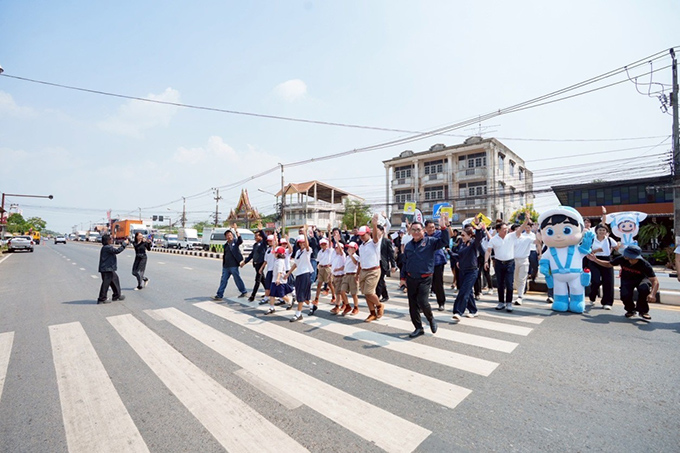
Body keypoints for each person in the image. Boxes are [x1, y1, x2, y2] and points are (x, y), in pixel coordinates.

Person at [403, 214, 450, 338]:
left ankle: (431, 319)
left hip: (425, 277)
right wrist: (403, 278)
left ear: (423, 230)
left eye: (418, 230)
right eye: (413, 230)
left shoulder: (430, 242)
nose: (416, 232)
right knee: (412, 305)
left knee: (423, 302)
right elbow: (405, 263)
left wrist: (443, 228)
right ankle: (418, 328)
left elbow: (444, 242)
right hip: (411, 278)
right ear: (410, 231)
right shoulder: (408, 246)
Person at [587, 245, 658, 320]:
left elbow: (655, 281)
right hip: (627, 279)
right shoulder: (622, 259)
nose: (625, 257)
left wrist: (652, 294)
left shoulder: (645, 265)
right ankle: (630, 310)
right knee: (625, 294)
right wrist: (595, 260)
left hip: (641, 279)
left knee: (644, 288)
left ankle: (643, 311)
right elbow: (609, 264)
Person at [484, 213, 528, 312]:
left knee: (509, 284)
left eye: (506, 228)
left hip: (510, 263)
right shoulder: (494, 239)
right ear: (498, 230)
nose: (506, 230)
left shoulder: (511, 236)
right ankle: (501, 302)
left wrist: (526, 220)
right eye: (504, 229)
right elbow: (488, 251)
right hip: (499, 263)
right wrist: (486, 261)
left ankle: (509, 303)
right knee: (500, 284)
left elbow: (521, 229)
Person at [452, 219, 485, 321]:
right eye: (461, 235)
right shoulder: (461, 244)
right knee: (468, 292)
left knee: (464, 291)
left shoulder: (473, 243)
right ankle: (473, 310)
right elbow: (459, 255)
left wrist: (478, 229)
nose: (461, 237)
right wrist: (451, 254)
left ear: (470, 235)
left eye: (463, 235)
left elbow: (479, 238)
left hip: (472, 271)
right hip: (462, 270)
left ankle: (458, 312)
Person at [357, 214, 384, 322]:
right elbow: (360, 261)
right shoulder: (361, 246)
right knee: (365, 293)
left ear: (369, 233)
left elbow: (376, 237)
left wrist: (374, 225)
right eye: (360, 235)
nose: (361, 237)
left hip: (373, 270)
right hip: (364, 271)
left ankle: (379, 305)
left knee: (369, 292)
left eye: (363, 235)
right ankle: (372, 313)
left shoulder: (374, 243)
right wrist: (357, 274)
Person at [212, 224, 248, 301]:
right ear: (225, 237)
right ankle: (219, 295)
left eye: (230, 235)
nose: (229, 236)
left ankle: (244, 291)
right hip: (226, 266)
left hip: (234, 265)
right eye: (227, 235)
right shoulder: (225, 245)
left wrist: (236, 231)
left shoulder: (235, 242)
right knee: (223, 280)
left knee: (237, 279)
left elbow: (240, 240)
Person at [285, 231, 314, 321]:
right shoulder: (298, 252)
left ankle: (298, 314)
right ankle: (312, 306)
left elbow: (307, 246)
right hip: (298, 274)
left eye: (303, 242)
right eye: (300, 243)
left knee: (301, 294)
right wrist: (288, 273)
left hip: (305, 274)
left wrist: (305, 234)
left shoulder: (307, 251)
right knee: (300, 294)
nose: (302, 244)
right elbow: (295, 264)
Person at [588, 223, 618, 309]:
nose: (602, 232)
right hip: (594, 260)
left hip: (606, 261)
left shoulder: (609, 240)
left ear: (606, 232)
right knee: (595, 280)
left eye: (604, 230)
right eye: (600, 230)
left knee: (608, 281)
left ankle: (607, 302)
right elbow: (586, 251)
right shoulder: (592, 240)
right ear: (596, 231)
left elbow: (617, 248)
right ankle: (592, 296)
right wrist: (596, 250)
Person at [97, 233, 128, 303]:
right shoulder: (107, 247)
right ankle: (102, 298)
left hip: (108, 268)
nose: (111, 240)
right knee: (106, 284)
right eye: (110, 239)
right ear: (107, 240)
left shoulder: (106, 247)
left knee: (115, 280)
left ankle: (117, 295)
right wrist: (124, 244)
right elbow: (117, 251)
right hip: (106, 269)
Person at [511, 220, 536, 305]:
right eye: (516, 230)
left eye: (519, 229)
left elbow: (537, 241)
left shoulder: (527, 238)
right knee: (515, 279)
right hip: (514, 260)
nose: (518, 231)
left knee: (522, 279)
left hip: (524, 260)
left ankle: (520, 296)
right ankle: (517, 293)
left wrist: (540, 234)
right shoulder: (511, 239)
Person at [425, 220, 447, 311]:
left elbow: (446, 239)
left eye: (433, 227)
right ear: (425, 228)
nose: (432, 229)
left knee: (438, 283)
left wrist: (444, 226)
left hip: (438, 261)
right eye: (430, 227)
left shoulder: (438, 234)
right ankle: (423, 304)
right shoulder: (423, 236)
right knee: (425, 285)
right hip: (426, 263)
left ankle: (441, 303)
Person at [264, 246, 294, 315]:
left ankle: (289, 301)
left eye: (276, 253)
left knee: (282, 295)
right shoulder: (277, 260)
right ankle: (271, 308)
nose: (274, 254)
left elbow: (279, 271)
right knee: (272, 294)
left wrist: (277, 279)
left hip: (280, 281)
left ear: (279, 254)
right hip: (274, 280)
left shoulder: (280, 261)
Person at [241, 230, 267, 302]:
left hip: (261, 264)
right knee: (263, 279)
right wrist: (245, 262)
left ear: (261, 237)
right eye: (255, 236)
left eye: (257, 236)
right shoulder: (255, 245)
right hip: (256, 264)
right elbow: (251, 255)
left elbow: (265, 238)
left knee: (257, 280)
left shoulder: (263, 243)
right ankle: (268, 292)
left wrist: (261, 230)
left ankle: (253, 295)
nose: (255, 237)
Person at [375, 224, 397, 303]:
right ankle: (385, 295)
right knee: (379, 280)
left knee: (380, 280)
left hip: (383, 263)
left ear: (381, 231)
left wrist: (393, 265)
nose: (376, 232)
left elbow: (391, 254)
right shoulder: (373, 241)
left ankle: (377, 296)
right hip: (375, 263)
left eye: (377, 230)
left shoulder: (386, 241)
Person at [339, 241, 360, 315]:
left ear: (354, 249)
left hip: (353, 275)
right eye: (348, 247)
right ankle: (347, 306)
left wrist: (351, 255)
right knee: (342, 291)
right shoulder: (347, 257)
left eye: (350, 248)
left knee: (354, 293)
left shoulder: (356, 257)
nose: (348, 249)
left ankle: (356, 307)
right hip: (346, 275)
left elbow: (355, 263)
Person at [312, 238, 334, 310]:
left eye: (325, 244)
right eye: (322, 244)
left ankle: (333, 296)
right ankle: (316, 299)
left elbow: (330, 242)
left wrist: (329, 233)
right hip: (321, 268)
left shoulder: (329, 251)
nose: (323, 245)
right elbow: (318, 260)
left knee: (330, 284)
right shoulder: (320, 252)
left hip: (327, 268)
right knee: (319, 284)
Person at [330, 242, 346, 314]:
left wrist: (338, 269)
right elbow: (333, 266)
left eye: (338, 248)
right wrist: (331, 273)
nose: (337, 249)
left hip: (340, 276)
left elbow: (344, 266)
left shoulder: (342, 255)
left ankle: (337, 306)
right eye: (336, 248)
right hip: (335, 276)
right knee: (339, 292)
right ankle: (344, 303)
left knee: (338, 293)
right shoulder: (335, 256)